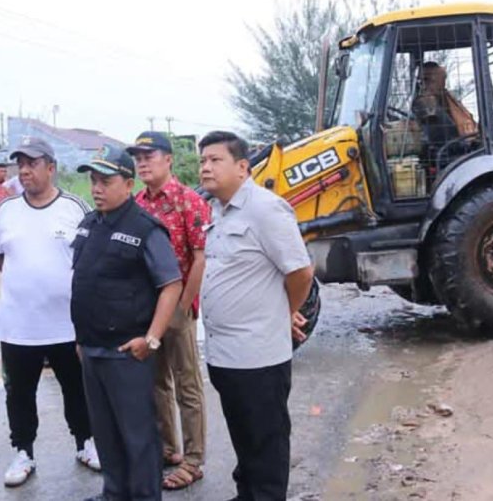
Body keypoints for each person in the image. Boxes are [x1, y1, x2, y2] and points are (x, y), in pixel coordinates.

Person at [198, 131, 314, 501]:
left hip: (258, 356)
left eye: (215, 160)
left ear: (242, 167)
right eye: (202, 160)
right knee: (244, 437)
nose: (205, 167)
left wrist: (285, 312)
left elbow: (300, 272)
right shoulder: (217, 209)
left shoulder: (265, 209)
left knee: (265, 442)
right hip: (225, 354)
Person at [0, 136, 100, 487]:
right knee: (19, 392)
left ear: (50, 167)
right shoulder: (6, 210)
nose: (24, 170)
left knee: (76, 389)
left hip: (67, 325)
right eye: (20, 163)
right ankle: (23, 452)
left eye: (32, 163)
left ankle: (86, 442)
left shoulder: (75, 207)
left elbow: (90, 258)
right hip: (19, 326)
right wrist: (29, 279)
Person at [73, 146, 183, 501]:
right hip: (92, 348)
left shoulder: (146, 229)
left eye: (105, 181)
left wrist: (151, 339)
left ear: (129, 184)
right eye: (93, 180)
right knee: (105, 432)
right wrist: (81, 339)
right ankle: (114, 493)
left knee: (137, 435)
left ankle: (145, 496)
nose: (97, 188)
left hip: (127, 351)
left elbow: (171, 285)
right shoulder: (89, 224)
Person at [127, 131, 209, 490]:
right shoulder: (136, 203)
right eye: (138, 157)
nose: (142, 162)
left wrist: (181, 308)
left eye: (150, 155)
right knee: (155, 382)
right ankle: (168, 449)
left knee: (187, 385)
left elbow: (200, 256)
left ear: (169, 159)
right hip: (147, 310)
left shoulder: (188, 201)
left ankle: (193, 460)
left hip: (177, 309)